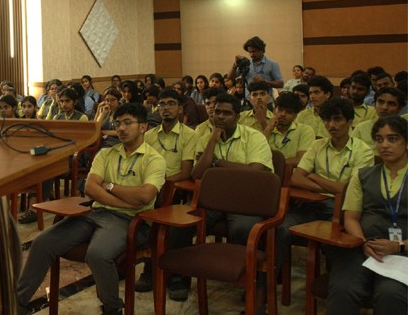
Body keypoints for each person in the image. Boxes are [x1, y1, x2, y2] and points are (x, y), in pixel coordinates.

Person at [16, 103, 166, 315]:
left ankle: (113, 308)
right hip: (96, 213)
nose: (121, 128)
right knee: (43, 242)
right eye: (117, 123)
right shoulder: (107, 154)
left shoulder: (154, 159)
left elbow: (144, 196)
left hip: (129, 222)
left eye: (127, 123)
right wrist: (124, 201)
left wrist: (110, 186)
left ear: (143, 127)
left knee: (97, 255)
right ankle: (18, 304)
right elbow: (90, 188)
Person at [275, 98, 374, 278]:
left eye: (337, 119)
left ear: (350, 122)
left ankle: (336, 283)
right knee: (280, 227)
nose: (331, 125)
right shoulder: (317, 145)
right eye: (327, 120)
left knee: (331, 238)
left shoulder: (363, 151)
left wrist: (314, 176)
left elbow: (349, 190)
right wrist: (329, 187)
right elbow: (296, 178)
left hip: (343, 210)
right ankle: (266, 286)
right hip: (313, 205)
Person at [327, 115, 408, 314]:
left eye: (392, 138)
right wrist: (363, 242)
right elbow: (351, 218)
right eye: (379, 139)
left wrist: (399, 246)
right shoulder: (363, 175)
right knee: (343, 289)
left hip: (404, 252)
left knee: (391, 293)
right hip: (364, 247)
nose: (384, 145)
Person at [139, 89, 200, 298]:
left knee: (172, 220)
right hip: (152, 188)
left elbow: (185, 172)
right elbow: (141, 165)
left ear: (180, 108)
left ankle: (175, 275)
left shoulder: (190, 134)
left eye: (171, 104)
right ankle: (148, 267)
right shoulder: (148, 135)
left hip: (176, 189)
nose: (166, 108)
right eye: (162, 104)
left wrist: (160, 183)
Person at [193, 93, 274, 242]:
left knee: (242, 230)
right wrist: (212, 141)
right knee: (183, 223)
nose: (220, 117)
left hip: (245, 199)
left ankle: (248, 264)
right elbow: (197, 175)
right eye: (217, 112)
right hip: (214, 198)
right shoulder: (206, 138)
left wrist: (216, 162)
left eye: (227, 113)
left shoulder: (254, 137)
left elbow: (254, 173)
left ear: (237, 117)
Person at [263, 92, 315, 164]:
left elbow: (301, 160)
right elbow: (257, 155)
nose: (283, 114)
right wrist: (268, 129)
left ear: (295, 116)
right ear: (274, 110)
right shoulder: (267, 129)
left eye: (289, 112)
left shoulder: (305, 130)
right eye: (280, 110)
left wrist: (273, 164)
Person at [227, 36, 283, 101]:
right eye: (249, 52)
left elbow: (280, 84)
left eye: (254, 51)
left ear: (262, 50)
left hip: (266, 102)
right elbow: (230, 77)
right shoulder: (246, 63)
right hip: (249, 101)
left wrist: (265, 82)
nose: (251, 54)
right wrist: (234, 66)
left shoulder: (272, 64)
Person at [352, 87, 406, 154]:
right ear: (374, 104)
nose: (384, 107)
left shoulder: (405, 129)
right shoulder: (361, 128)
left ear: (399, 108)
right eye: (381, 102)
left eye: (391, 104)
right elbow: (351, 154)